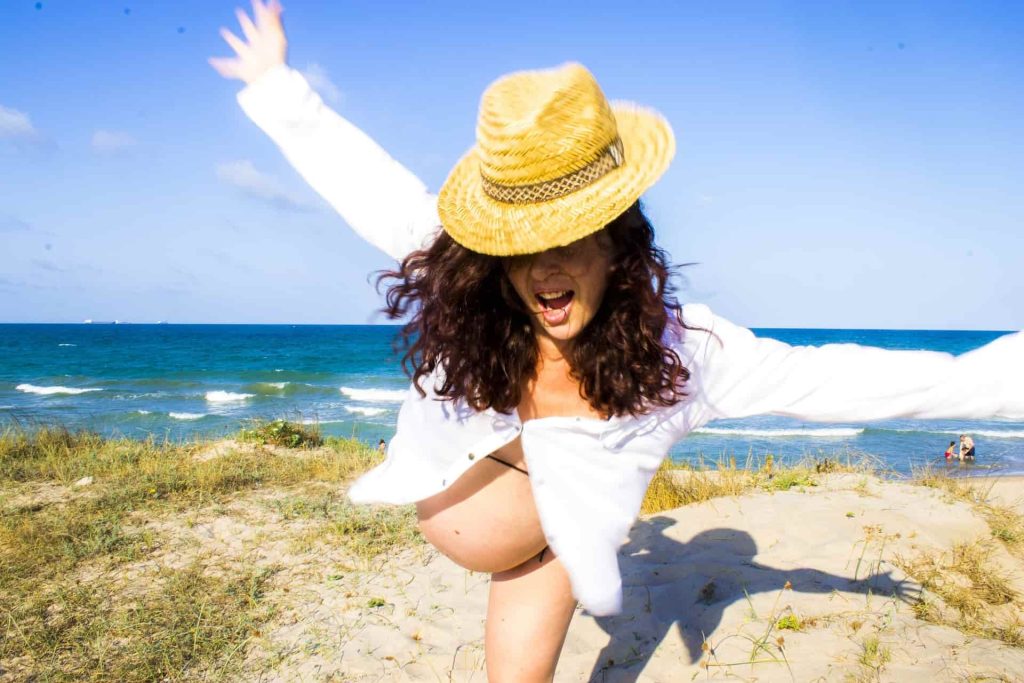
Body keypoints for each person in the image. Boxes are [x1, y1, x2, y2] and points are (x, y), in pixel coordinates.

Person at [211, 4, 1024, 680]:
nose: (544, 267)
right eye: (522, 240)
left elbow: (834, 381)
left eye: (569, 237)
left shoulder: (685, 354)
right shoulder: (468, 268)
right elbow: (364, 181)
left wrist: (1000, 379)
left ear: (617, 240)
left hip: (553, 545)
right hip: (486, 518)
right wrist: (277, 84)